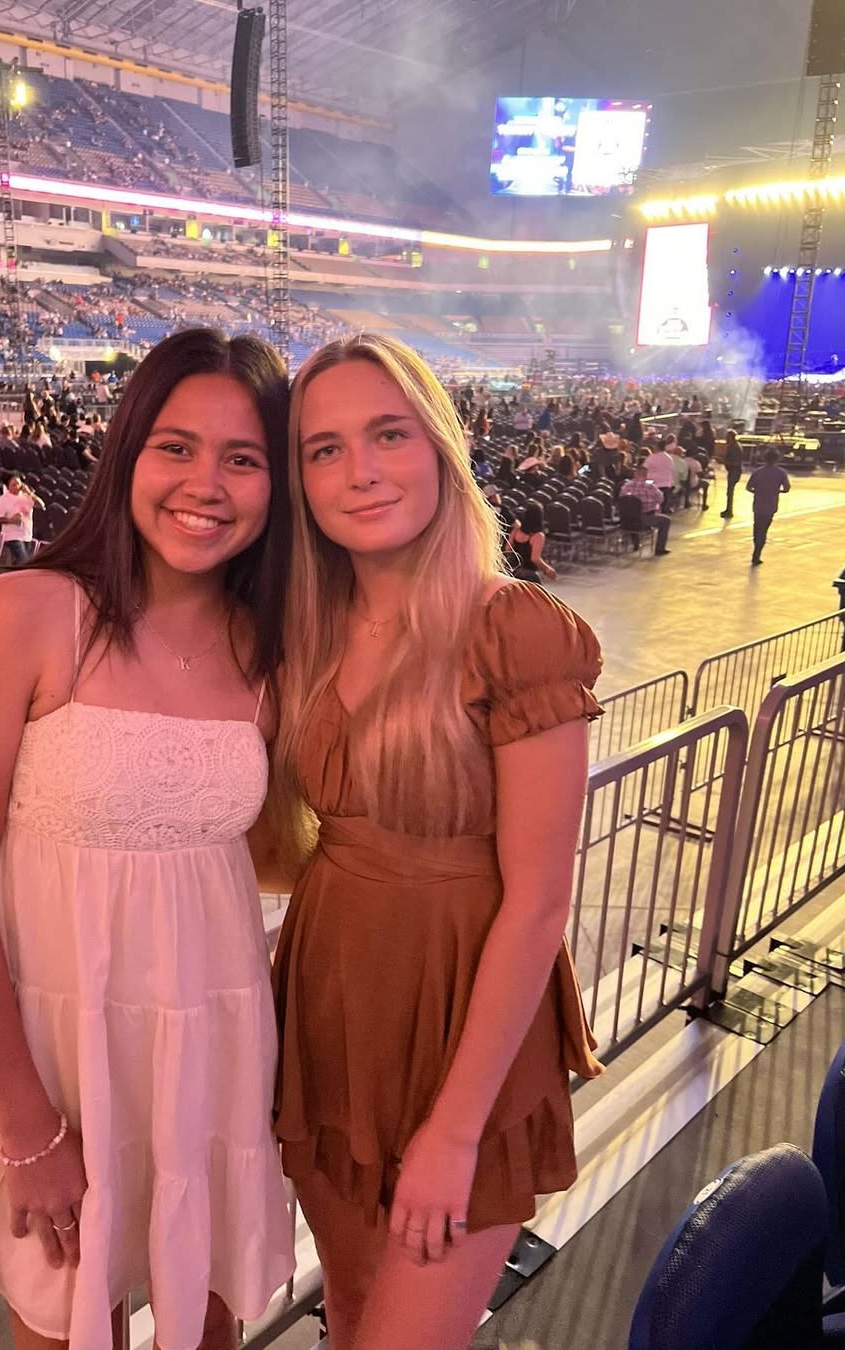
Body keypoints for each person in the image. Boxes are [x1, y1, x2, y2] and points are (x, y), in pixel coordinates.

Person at [0, 329, 296, 1350]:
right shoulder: (23, 616)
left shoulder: (270, 652)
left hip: (209, 1046)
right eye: (176, 447)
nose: (206, 484)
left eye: (243, 458)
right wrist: (28, 1127)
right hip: (51, 1059)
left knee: (208, 1320)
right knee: (68, 1326)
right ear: (127, 454)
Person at [269, 335, 603, 1350]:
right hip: (330, 1009)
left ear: (440, 449)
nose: (360, 471)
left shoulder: (514, 629)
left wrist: (455, 1133)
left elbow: (538, 903)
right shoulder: (308, 632)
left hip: (465, 1031)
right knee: (351, 1309)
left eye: (388, 434)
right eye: (324, 450)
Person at [746, 446, 791, 566]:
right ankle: (757, 553)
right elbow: (786, 488)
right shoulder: (781, 473)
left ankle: (756, 548)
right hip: (771, 505)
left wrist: (757, 491)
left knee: (757, 528)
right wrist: (777, 491)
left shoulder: (758, 472)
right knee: (764, 530)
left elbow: (749, 487)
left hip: (758, 504)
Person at [619, 462, 672, 555]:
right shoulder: (650, 487)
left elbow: (622, 499)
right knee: (666, 520)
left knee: (632, 513)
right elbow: (661, 499)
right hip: (643, 519)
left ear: (635, 474)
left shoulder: (626, 486)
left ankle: (635, 542)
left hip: (626, 520)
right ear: (646, 475)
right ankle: (659, 549)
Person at [0, 473, 42, 566]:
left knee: (19, 563)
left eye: (18, 484)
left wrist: (29, 493)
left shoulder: (27, 496)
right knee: (24, 560)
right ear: (8, 487)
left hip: (26, 534)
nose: (17, 487)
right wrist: (10, 520)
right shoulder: (3, 500)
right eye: (13, 485)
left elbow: (41, 505)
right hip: (12, 536)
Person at [506, 502, 557, 582]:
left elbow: (508, 548)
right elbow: (535, 559)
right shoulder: (538, 535)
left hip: (514, 573)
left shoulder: (516, 530)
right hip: (530, 575)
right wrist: (547, 569)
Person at [644, 436, 677, 514]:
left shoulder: (651, 457)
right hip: (665, 484)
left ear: (657, 447)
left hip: (651, 483)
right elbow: (671, 470)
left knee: (651, 505)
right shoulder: (669, 458)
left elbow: (644, 469)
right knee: (663, 506)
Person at [720, 429, 743, 518]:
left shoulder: (735, 448)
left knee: (730, 491)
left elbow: (736, 462)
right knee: (729, 492)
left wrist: (724, 462)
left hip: (734, 471)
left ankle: (729, 511)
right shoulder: (732, 446)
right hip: (732, 471)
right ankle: (728, 509)